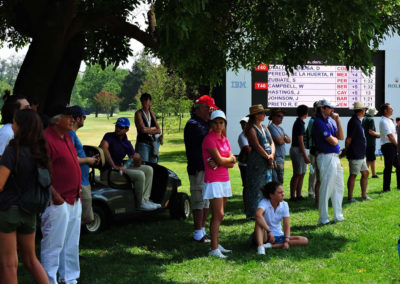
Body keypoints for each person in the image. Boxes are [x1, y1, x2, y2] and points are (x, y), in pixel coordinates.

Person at [0, 109, 49, 284]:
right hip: (30, 211)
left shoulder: (14, 150)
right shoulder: (40, 152)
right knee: (31, 259)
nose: (12, 126)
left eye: (14, 122)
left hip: (9, 210)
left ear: (22, 126)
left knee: (8, 264)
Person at [41, 105, 82, 284]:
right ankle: (49, 280)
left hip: (73, 197)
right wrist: (54, 194)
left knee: (71, 243)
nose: (72, 119)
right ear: (57, 120)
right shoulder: (46, 138)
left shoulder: (66, 136)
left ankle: (70, 278)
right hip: (57, 200)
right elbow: (40, 170)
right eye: (68, 116)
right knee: (53, 244)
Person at [99, 117, 160, 210]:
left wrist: (138, 158)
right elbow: (103, 148)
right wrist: (114, 166)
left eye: (121, 127)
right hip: (109, 171)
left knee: (148, 169)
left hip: (119, 169)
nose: (118, 129)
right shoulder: (109, 136)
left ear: (127, 129)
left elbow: (136, 163)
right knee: (140, 175)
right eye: (117, 126)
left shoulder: (126, 142)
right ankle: (140, 204)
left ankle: (145, 200)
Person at [202, 110, 236, 258]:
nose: (218, 125)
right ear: (211, 123)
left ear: (224, 124)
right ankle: (213, 248)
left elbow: (232, 161)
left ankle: (215, 244)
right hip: (214, 180)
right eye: (216, 122)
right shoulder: (209, 139)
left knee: (219, 216)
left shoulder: (225, 139)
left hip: (224, 179)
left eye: (221, 122)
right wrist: (225, 160)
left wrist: (225, 160)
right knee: (218, 214)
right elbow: (225, 160)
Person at [184, 95, 218, 242]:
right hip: (198, 168)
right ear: (201, 109)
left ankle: (202, 231)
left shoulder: (203, 123)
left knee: (206, 201)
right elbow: (206, 139)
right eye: (209, 109)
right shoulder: (193, 124)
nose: (211, 113)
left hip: (206, 168)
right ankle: (198, 232)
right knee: (198, 201)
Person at [252, 181, 308, 255]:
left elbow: (286, 224)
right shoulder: (264, 202)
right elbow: (258, 215)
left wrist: (286, 240)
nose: (283, 194)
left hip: (278, 236)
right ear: (271, 195)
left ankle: (271, 246)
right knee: (258, 220)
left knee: (304, 240)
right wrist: (269, 232)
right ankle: (261, 247)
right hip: (264, 235)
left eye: (283, 192)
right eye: (279, 193)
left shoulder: (285, 205)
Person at [312, 99, 345, 225]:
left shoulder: (330, 121)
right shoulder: (318, 122)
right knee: (326, 187)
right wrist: (336, 139)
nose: (332, 110)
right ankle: (323, 218)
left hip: (334, 157)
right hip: (325, 157)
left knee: (338, 186)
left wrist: (338, 120)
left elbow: (340, 137)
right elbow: (333, 141)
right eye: (330, 108)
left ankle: (338, 215)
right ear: (322, 108)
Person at [69, 106, 99, 224]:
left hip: (83, 180)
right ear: (77, 119)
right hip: (80, 183)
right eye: (84, 117)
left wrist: (90, 159)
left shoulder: (72, 134)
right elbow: (71, 160)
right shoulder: (70, 135)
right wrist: (88, 160)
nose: (84, 119)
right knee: (84, 218)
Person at [244, 104, 276, 219]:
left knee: (267, 185)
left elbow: (271, 142)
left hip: (268, 160)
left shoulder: (265, 127)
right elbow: (257, 146)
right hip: (257, 162)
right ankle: (253, 213)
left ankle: (265, 211)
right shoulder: (251, 128)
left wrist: (271, 154)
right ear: (255, 115)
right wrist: (268, 157)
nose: (264, 115)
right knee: (256, 187)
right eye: (261, 113)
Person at [345, 102, 371, 202]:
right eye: (364, 109)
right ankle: (350, 197)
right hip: (355, 154)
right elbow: (348, 139)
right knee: (353, 175)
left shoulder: (357, 121)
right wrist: (346, 151)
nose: (365, 111)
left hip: (360, 154)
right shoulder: (353, 122)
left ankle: (364, 195)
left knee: (366, 173)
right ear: (361, 111)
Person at [289, 105, 310, 201]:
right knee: (297, 173)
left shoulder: (300, 122)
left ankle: (299, 195)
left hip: (299, 149)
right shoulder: (300, 123)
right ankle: (293, 195)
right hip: (298, 150)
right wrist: (305, 156)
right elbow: (300, 141)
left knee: (302, 173)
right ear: (306, 113)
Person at [0, 92, 31, 157]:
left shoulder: (22, 130)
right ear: (14, 112)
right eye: (26, 108)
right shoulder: (7, 132)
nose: (30, 111)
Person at [134, 93, 161, 163]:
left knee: (153, 167)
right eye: (144, 100)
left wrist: (147, 129)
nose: (146, 102)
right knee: (144, 166)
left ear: (150, 101)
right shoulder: (138, 113)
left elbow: (158, 130)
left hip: (152, 143)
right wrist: (153, 128)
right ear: (141, 101)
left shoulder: (152, 114)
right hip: (143, 143)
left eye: (147, 99)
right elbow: (142, 130)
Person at [379, 103, 400, 192]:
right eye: (390, 108)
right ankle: (386, 188)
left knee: (398, 165)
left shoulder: (389, 120)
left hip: (392, 145)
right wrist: (397, 146)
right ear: (385, 111)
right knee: (388, 167)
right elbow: (390, 136)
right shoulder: (383, 121)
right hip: (388, 146)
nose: (392, 110)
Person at [268, 109, 291, 184]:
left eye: (282, 116)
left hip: (281, 158)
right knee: (277, 180)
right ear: (273, 117)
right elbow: (279, 141)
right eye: (279, 116)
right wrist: (283, 137)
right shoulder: (271, 127)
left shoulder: (280, 128)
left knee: (280, 180)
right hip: (276, 158)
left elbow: (289, 140)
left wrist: (282, 138)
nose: (281, 118)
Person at [305, 101, 321, 206]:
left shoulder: (319, 119)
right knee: (312, 171)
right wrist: (312, 148)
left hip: (319, 150)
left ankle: (316, 191)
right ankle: (311, 192)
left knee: (318, 172)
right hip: (313, 151)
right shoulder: (312, 120)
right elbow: (310, 136)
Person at [362, 107, 380, 178]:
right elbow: (371, 132)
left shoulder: (364, 119)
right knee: (371, 158)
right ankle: (370, 174)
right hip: (371, 142)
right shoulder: (371, 119)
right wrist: (379, 134)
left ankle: (370, 173)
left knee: (369, 158)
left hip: (366, 142)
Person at [238, 116, 250, 209]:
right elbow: (247, 149)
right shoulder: (242, 136)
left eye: (245, 123)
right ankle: (247, 206)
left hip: (252, 163)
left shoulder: (252, 134)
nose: (243, 126)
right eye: (242, 124)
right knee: (247, 186)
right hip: (245, 164)